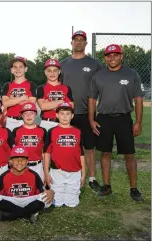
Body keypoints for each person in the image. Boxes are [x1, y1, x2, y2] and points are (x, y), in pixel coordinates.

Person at [88, 44, 144, 202]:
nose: (112, 58)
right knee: (105, 153)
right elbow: (92, 99)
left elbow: (138, 99)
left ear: (121, 56)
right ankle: (107, 186)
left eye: (115, 55)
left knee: (129, 155)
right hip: (104, 118)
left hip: (124, 118)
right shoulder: (98, 75)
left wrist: (138, 122)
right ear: (105, 57)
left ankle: (134, 188)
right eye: (108, 55)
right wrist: (92, 120)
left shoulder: (131, 74)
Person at [60, 30, 102, 192]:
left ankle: (91, 178)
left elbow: (101, 86)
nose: (78, 42)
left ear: (85, 43)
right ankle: (64, 173)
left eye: (81, 40)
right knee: (65, 145)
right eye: (75, 40)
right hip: (65, 113)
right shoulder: (62, 63)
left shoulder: (94, 64)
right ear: (71, 43)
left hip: (86, 112)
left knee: (89, 146)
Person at [0, 146, 54, 223]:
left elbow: (43, 191)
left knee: (47, 197)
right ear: (10, 161)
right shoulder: (5, 175)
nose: (19, 162)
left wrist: (51, 192)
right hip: (12, 201)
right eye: (16, 159)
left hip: (28, 200)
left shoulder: (33, 175)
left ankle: (11, 215)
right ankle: (28, 214)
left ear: (27, 161)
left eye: (23, 159)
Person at [44, 103, 86, 208]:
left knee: (72, 203)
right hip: (57, 170)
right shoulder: (52, 131)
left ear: (72, 116)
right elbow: (47, 153)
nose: (65, 116)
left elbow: (81, 153)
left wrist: (83, 174)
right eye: (62, 113)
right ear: (57, 115)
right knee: (57, 202)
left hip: (75, 170)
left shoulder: (77, 132)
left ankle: (71, 194)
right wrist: (46, 173)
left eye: (68, 114)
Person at [11, 102, 47, 181]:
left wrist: (45, 172)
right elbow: (12, 153)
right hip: (20, 166)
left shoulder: (42, 131)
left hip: (38, 166)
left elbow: (44, 153)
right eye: (25, 113)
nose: (28, 116)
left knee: (39, 191)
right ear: (21, 116)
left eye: (31, 113)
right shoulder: (16, 131)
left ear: (36, 114)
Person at [1, 56, 37, 131]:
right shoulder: (7, 85)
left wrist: (12, 99)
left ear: (25, 69)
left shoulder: (31, 85)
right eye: (15, 67)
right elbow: (5, 104)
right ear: (11, 70)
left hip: (26, 120)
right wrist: (22, 98)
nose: (18, 69)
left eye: (21, 67)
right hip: (11, 121)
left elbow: (30, 104)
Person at [37, 58, 73, 131]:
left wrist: (50, 104)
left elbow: (71, 107)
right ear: (45, 72)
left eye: (55, 70)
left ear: (59, 72)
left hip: (63, 123)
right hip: (46, 123)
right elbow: (43, 106)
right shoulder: (41, 88)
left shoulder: (66, 88)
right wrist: (61, 102)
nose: (52, 73)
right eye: (49, 71)